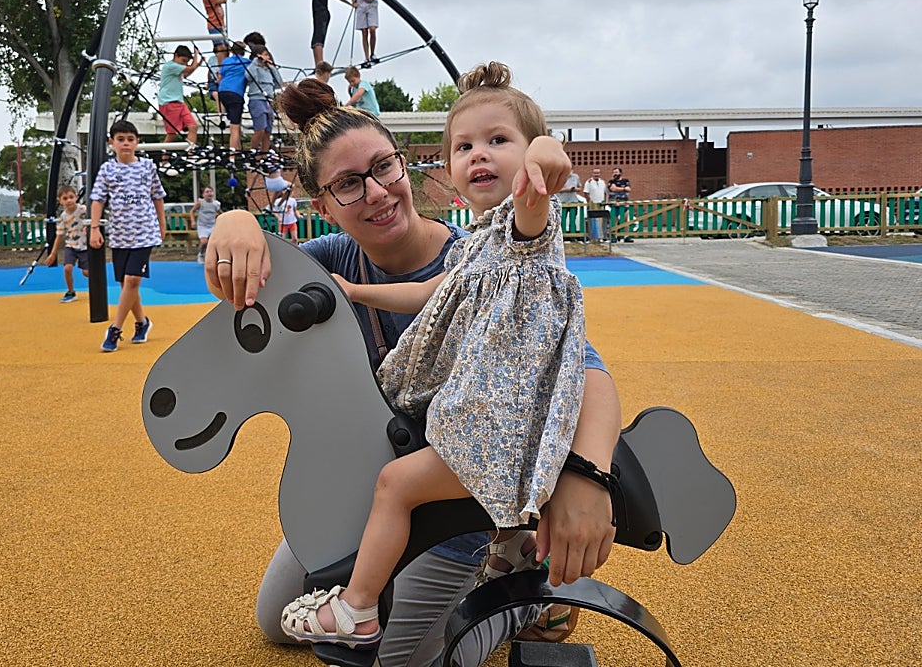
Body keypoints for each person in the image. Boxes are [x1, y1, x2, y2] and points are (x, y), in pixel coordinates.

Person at [204, 78, 620, 667]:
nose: (375, 192)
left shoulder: (498, 248)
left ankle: (527, 595)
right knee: (276, 622)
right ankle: (374, 593)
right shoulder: (339, 260)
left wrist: (588, 475)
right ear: (322, 205)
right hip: (379, 476)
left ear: (405, 166)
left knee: (405, 661)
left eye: (383, 167)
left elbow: (586, 367)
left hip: (458, 492)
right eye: (349, 183)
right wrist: (235, 222)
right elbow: (262, 262)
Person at [88, 120, 167, 351]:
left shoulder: (147, 167)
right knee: (126, 284)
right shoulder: (107, 170)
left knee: (132, 280)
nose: (126, 144)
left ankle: (115, 330)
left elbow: (157, 196)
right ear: (112, 142)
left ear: (137, 143)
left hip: (144, 232)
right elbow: (98, 199)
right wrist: (94, 228)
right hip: (120, 235)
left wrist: (162, 224)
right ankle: (142, 322)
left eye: (130, 139)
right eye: (121, 139)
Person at [45, 185, 89, 302]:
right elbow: (59, 236)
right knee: (67, 268)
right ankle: (71, 291)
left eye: (71, 197)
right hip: (71, 245)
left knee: (86, 272)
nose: (69, 200)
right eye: (65, 198)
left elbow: (94, 217)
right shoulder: (63, 217)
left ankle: (97, 284)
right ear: (60, 201)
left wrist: (89, 227)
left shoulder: (83, 209)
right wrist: (53, 253)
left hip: (84, 246)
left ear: (76, 197)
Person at [157, 44, 203, 149]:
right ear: (175, 56)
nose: (185, 64)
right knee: (172, 134)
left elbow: (187, 73)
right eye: (183, 60)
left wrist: (198, 63)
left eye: (186, 62)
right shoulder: (170, 66)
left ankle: (190, 155)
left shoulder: (177, 68)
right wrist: (196, 55)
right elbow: (189, 69)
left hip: (179, 102)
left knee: (193, 126)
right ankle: (164, 160)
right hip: (169, 102)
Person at [245, 43, 283, 153]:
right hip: (257, 100)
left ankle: (264, 155)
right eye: (265, 55)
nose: (268, 57)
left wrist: (272, 67)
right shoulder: (254, 68)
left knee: (267, 131)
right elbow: (248, 75)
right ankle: (253, 153)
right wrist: (256, 61)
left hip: (269, 102)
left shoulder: (269, 70)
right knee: (260, 129)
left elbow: (278, 83)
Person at [218, 41, 253, 151]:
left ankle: (238, 150)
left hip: (222, 91)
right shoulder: (247, 63)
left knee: (234, 123)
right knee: (235, 126)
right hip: (236, 94)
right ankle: (232, 156)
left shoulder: (226, 61)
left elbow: (220, 77)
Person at [189, 185, 223, 264]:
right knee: (204, 242)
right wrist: (192, 221)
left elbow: (220, 213)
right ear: (203, 194)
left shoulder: (216, 204)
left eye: (210, 192)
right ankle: (201, 254)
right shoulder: (200, 203)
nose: (209, 193)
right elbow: (192, 211)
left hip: (212, 225)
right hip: (202, 225)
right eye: (207, 192)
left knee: (214, 243)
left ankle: (213, 257)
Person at [606, 167, 634, 242]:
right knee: (614, 220)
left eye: (616, 172)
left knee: (625, 220)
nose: (615, 174)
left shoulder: (626, 181)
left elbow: (629, 189)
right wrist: (623, 188)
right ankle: (614, 236)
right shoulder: (611, 181)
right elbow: (613, 189)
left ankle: (626, 236)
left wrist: (620, 188)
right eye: (613, 172)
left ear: (620, 173)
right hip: (614, 203)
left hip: (624, 203)